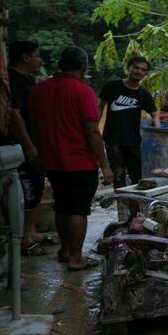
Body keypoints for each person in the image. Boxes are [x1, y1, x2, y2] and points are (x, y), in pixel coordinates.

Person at [29, 47, 113, 271]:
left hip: (52, 162)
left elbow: (35, 126)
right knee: (78, 209)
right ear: (83, 66)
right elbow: (92, 132)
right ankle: (77, 258)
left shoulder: (39, 90)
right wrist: (105, 165)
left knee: (62, 205)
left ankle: (65, 250)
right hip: (79, 161)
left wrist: (41, 153)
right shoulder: (82, 91)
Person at [2, 41, 47, 255]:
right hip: (18, 146)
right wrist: (28, 146)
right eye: (37, 55)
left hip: (29, 142)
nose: (39, 59)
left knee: (35, 185)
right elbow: (14, 115)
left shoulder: (25, 80)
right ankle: (23, 238)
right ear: (25, 57)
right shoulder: (13, 81)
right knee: (26, 188)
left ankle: (30, 231)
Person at [98, 55, 159, 188]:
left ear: (145, 74)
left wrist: (157, 132)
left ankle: (135, 206)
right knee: (118, 176)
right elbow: (100, 107)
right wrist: (95, 128)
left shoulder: (144, 95)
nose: (139, 71)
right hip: (112, 140)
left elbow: (155, 115)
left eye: (143, 70)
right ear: (128, 68)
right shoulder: (112, 86)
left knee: (137, 177)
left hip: (133, 141)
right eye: (136, 67)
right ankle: (122, 206)